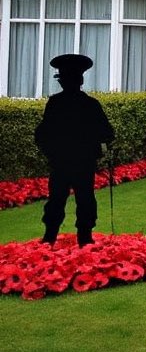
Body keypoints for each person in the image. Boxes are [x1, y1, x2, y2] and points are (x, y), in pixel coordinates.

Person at [34, 54, 114, 247]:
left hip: (62, 161)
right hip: (81, 161)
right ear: (80, 80)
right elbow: (108, 133)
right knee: (83, 199)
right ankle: (83, 238)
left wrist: (51, 152)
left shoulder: (55, 103)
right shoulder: (90, 104)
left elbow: (42, 135)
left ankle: (50, 238)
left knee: (58, 199)